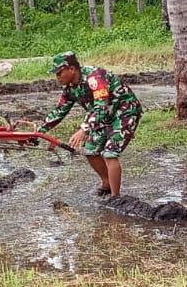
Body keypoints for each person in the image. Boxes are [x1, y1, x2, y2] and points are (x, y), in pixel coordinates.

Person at [37, 52, 143, 197]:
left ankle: (116, 197)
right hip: (102, 116)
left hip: (124, 112)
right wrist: (39, 131)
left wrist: (84, 129)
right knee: (90, 150)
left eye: (59, 73)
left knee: (110, 152)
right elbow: (59, 111)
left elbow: (101, 106)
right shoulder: (69, 88)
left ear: (72, 69)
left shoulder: (95, 77)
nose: (57, 77)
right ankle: (107, 183)